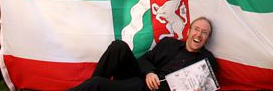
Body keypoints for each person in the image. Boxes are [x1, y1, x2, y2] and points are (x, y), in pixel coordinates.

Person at [70, 18, 219, 91]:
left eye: (204, 33)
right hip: (141, 79)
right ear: (188, 31)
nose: (199, 34)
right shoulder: (169, 43)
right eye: (196, 29)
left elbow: (210, 86)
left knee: (96, 84)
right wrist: (149, 72)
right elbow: (145, 59)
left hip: (155, 90)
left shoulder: (207, 60)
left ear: (207, 38)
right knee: (118, 46)